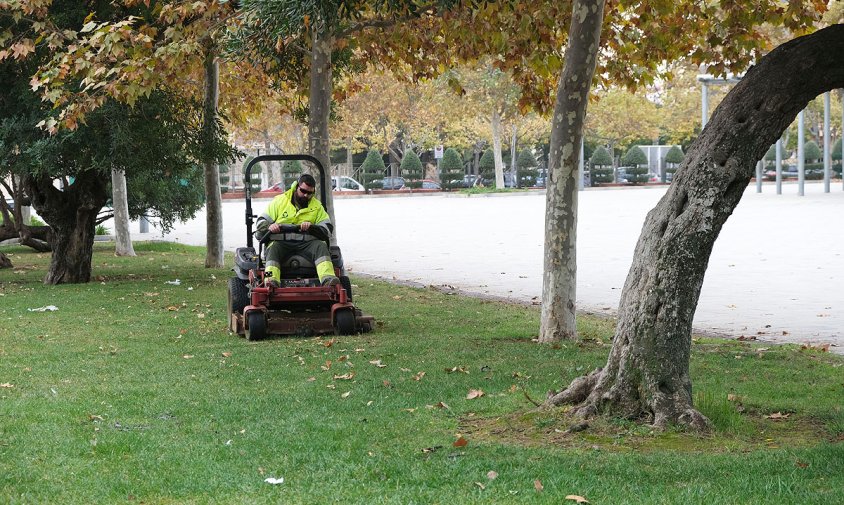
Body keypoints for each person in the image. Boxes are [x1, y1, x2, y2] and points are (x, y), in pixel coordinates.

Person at [255, 173, 338, 287]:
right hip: (281, 244)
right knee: (272, 248)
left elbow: (327, 229)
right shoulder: (279, 201)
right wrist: (269, 226)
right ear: (296, 187)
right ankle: (270, 280)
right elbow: (261, 222)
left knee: (321, 246)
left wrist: (312, 227)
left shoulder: (317, 206)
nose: (305, 195)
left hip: (307, 245)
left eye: (309, 193)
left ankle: (328, 280)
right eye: (303, 191)